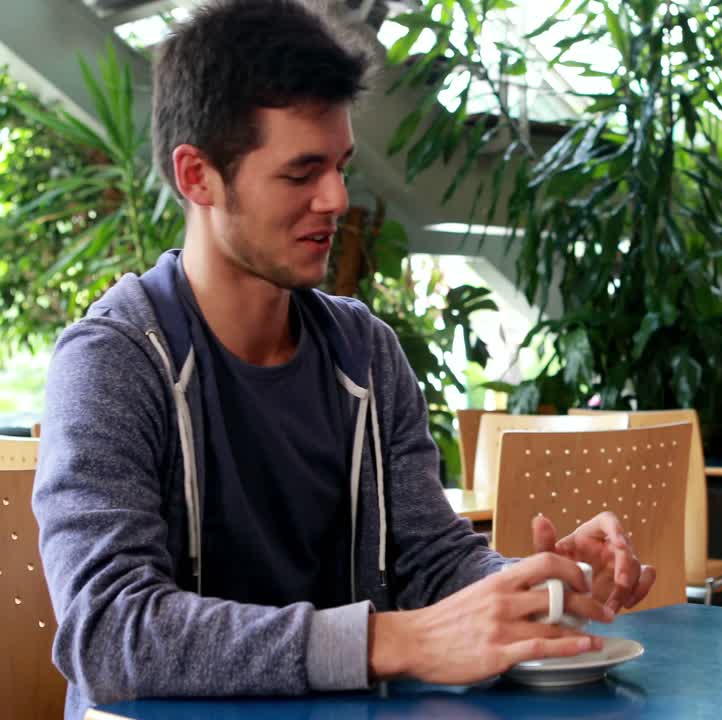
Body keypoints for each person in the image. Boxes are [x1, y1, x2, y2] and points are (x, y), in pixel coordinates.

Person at [32, 1, 654, 717]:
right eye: (301, 174)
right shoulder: (114, 360)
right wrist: (385, 643)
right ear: (197, 176)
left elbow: (431, 562)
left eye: (340, 166)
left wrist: (538, 584)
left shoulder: (366, 353)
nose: (336, 199)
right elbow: (108, 631)